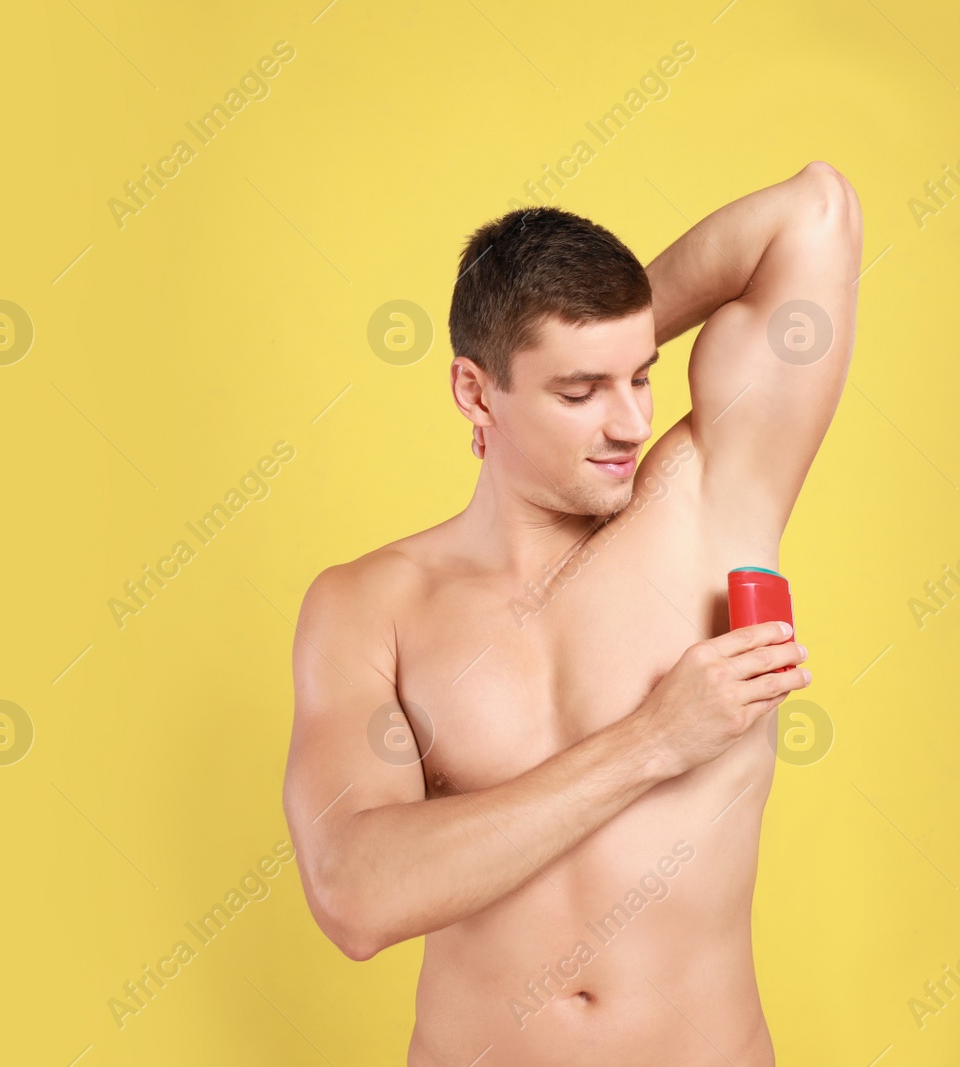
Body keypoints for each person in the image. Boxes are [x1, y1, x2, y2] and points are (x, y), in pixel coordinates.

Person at [282, 160, 861, 1066]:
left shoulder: (713, 496)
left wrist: (588, 343)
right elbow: (355, 893)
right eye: (581, 392)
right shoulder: (374, 605)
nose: (631, 422)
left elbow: (815, 209)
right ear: (476, 391)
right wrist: (653, 741)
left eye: (643, 376)